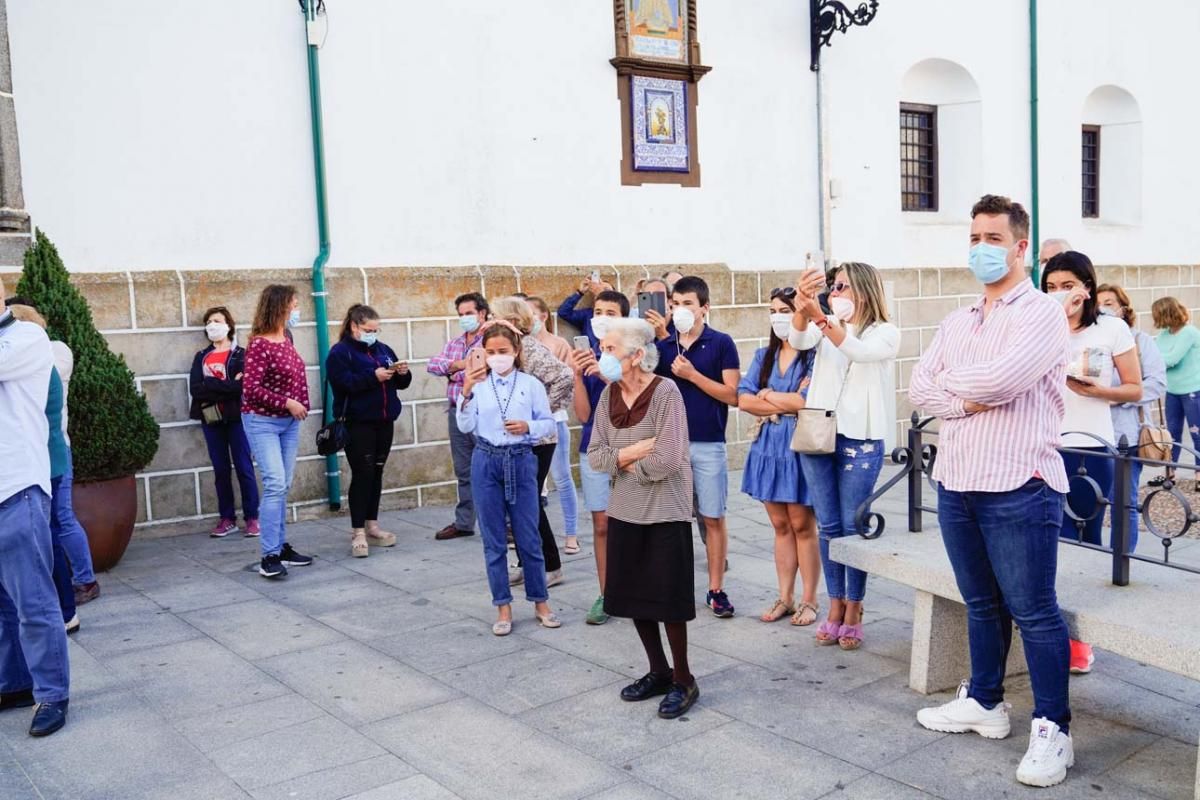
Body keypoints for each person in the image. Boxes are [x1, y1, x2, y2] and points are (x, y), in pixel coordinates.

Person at [909, 194, 1074, 788]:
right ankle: (985, 702)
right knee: (979, 603)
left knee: (1034, 612)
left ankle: (1054, 728)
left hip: (1018, 483)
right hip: (957, 480)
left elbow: (1004, 380)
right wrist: (962, 396)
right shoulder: (960, 319)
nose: (981, 247)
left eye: (993, 238)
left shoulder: (1041, 314)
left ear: (1020, 246)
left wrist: (954, 389)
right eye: (974, 236)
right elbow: (917, 385)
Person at [588, 318, 699, 719]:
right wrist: (632, 454)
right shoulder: (607, 396)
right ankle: (658, 670)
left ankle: (684, 678)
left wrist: (623, 463)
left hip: (665, 509)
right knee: (635, 594)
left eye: (611, 349)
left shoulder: (666, 391)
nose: (605, 356)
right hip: (625, 509)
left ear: (637, 356)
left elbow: (670, 457)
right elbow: (596, 456)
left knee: (668, 598)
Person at [788, 262, 899, 649]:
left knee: (854, 526)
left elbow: (859, 351)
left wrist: (820, 317)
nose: (836, 293)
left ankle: (854, 606)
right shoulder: (823, 326)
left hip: (861, 439)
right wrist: (803, 308)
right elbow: (797, 340)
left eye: (844, 287)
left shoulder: (886, 332)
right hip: (820, 432)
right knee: (829, 525)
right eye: (833, 287)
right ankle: (834, 604)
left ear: (865, 291)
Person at [456, 324, 561, 635]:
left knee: (529, 536)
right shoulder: (478, 384)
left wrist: (527, 426)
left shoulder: (530, 384)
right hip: (486, 460)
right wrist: (465, 392)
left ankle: (541, 601)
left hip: (521, 459)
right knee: (494, 539)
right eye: (491, 352)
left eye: (503, 351)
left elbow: (547, 425)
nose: (497, 357)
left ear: (516, 351)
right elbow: (465, 425)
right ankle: (502, 606)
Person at [0, 279, 71, 737]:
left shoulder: (26, 337)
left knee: (33, 601)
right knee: (5, 606)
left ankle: (52, 694)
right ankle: (15, 682)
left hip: (17, 486)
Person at [4, 296, 100, 605]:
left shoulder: (48, 351)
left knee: (61, 520)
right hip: (42, 453)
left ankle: (84, 581)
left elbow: (45, 407)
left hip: (52, 451)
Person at [1042, 252, 1141, 547]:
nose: (1058, 292)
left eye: (1067, 284)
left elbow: (1134, 388)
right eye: (1050, 286)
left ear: (1086, 287)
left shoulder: (1112, 329)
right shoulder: (1041, 328)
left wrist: (1098, 392)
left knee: (1083, 532)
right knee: (1048, 531)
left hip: (1090, 445)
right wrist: (1056, 320)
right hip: (1044, 443)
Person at [655, 276, 740, 618]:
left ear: (704, 308)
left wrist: (692, 375)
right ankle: (673, 587)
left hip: (707, 444)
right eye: (675, 304)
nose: (680, 310)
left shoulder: (721, 343)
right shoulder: (662, 348)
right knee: (671, 521)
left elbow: (732, 394)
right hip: (669, 445)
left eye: (688, 304)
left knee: (712, 516)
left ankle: (716, 589)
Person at [737, 288, 821, 625]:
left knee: (803, 524)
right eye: (773, 310)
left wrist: (767, 394)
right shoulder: (763, 356)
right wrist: (779, 399)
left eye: (785, 309)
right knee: (779, 524)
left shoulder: (813, 355)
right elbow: (743, 399)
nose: (778, 317)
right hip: (768, 444)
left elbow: (805, 401)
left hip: (799, 444)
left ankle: (810, 599)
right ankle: (785, 596)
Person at [486, 298, 573, 587]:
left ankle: (551, 566)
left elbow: (564, 376)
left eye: (493, 314)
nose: (488, 317)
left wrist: (540, 412)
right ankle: (527, 562)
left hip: (536, 439)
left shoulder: (529, 347)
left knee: (528, 502)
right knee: (517, 502)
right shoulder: (504, 347)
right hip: (515, 438)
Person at [8, 305, 78, 633]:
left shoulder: (37, 364)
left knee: (50, 536)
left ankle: (66, 610)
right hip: (45, 460)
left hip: (46, 460)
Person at [241, 285, 314, 579]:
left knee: (283, 486)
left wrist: (300, 405)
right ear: (280, 306)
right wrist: (288, 402)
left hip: (288, 423)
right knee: (274, 484)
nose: (297, 310)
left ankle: (281, 546)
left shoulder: (287, 338)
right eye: (294, 304)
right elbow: (251, 390)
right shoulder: (259, 344)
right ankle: (269, 555)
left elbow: (295, 377)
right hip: (262, 422)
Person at [327, 304, 411, 557]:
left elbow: (401, 384)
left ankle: (372, 524)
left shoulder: (383, 349)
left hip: (384, 420)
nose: (372, 334)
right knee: (362, 473)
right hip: (357, 422)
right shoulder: (340, 352)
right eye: (368, 329)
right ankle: (358, 531)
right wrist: (372, 377)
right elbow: (342, 383)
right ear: (354, 326)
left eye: (376, 329)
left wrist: (401, 374)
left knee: (376, 472)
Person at [569, 289, 630, 625]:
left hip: (630, 450)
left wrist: (607, 374)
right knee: (602, 524)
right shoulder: (588, 355)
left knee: (635, 523)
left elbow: (637, 400)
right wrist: (578, 375)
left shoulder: (636, 355)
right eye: (598, 310)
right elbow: (583, 414)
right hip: (594, 448)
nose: (602, 317)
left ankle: (636, 588)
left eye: (610, 311)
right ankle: (607, 593)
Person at [1096, 283, 1166, 552]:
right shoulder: (1093, 340)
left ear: (1124, 309)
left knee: (1123, 502)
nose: (1104, 308)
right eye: (1099, 303)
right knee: (1089, 500)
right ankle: (1089, 556)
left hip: (1127, 433)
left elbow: (1157, 383)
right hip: (1093, 433)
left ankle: (1121, 560)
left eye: (1110, 303)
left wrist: (1119, 396)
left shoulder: (1139, 340)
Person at [189, 306, 260, 538]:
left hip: (237, 417)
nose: (212, 325)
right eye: (208, 321)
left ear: (228, 325)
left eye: (217, 320)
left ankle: (252, 517)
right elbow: (196, 389)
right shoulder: (201, 357)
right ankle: (227, 518)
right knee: (220, 469)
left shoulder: (241, 354)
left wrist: (213, 385)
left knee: (243, 466)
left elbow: (243, 386)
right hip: (211, 418)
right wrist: (226, 386)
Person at [427, 292, 489, 540]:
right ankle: (464, 522)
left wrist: (453, 370)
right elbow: (433, 365)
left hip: (483, 412)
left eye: (469, 313)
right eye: (461, 315)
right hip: (457, 409)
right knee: (464, 470)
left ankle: (505, 523)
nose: (465, 318)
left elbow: (486, 370)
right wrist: (459, 366)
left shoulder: (491, 339)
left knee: (492, 468)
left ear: (482, 313)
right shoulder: (455, 343)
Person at [527, 295, 580, 554]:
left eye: (531, 314)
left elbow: (565, 380)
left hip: (554, 419)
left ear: (543, 316)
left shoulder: (558, 344)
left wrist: (544, 407)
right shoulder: (521, 346)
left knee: (562, 477)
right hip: (528, 424)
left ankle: (572, 534)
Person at [1152, 296, 1200, 486]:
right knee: (1172, 434)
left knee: (1197, 433)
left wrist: (1160, 359)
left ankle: (1198, 474)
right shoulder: (1165, 334)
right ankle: (1170, 471)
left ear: (1167, 314)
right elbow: (1156, 357)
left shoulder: (1189, 333)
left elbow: (1172, 359)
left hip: (1192, 390)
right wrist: (1160, 359)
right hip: (1172, 390)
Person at [558, 275, 615, 347]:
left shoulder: (617, 316)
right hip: (588, 357)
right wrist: (580, 292)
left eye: (606, 290)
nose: (602, 292)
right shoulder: (588, 314)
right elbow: (563, 312)